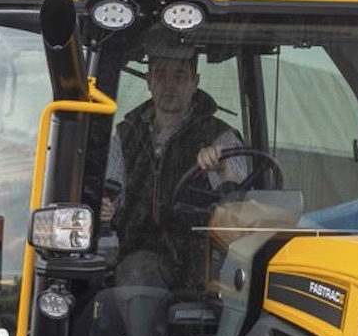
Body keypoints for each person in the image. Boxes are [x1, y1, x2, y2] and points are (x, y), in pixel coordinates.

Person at [102, 37, 250, 294]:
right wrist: (105, 207)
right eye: (160, 74)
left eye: (180, 75)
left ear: (195, 82)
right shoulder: (125, 136)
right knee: (136, 272)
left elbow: (241, 203)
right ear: (148, 81)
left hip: (202, 259)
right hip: (136, 253)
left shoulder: (220, 138)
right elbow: (110, 194)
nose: (169, 85)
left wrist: (220, 169)